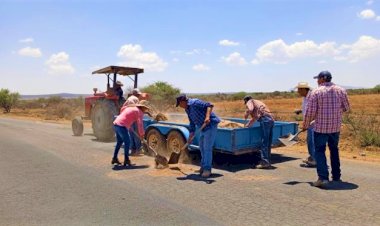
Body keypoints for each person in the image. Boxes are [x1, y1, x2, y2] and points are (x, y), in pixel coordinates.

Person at [303, 71, 350, 187]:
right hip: (335, 127)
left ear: (322, 79)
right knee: (334, 150)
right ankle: (336, 176)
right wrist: (334, 114)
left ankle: (323, 178)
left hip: (321, 128)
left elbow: (310, 112)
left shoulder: (316, 92)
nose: (317, 81)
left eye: (318, 79)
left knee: (319, 151)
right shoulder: (341, 90)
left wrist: (306, 123)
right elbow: (346, 108)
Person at [176, 94, 220, 178]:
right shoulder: (187, 109)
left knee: (207, 148)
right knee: (202, 147)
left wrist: (207, 117)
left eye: (180, 104)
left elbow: (209, 105)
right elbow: (192, 122)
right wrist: (191, 135)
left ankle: (207, 169)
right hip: (202, 127)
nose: (180, 106)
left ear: (183, 101)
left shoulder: (194, 102)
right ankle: (203, 167)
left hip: (210, 125)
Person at [243, 95, 274, 169]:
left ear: (246, 100)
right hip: (270, 119)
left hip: (265, 119)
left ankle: (265, 162)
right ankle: (267, 161)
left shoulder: (250, 101)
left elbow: (250, 109)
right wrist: (247, 125)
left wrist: (246, 113)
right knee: (268, 141)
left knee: (264, 141)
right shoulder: (258, 102)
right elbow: (254, 118)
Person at [294, 82, 316, 167]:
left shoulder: (312, 97)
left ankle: (314, 160)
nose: (298, 91)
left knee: (312, 142)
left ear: (304, 89)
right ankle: (312, 157)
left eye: (299, 90)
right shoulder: (305, 97)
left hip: (313, 123)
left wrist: (305, 124)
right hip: (309, 123)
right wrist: (300, 110)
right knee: (310, 141)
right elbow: (306, 109)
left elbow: (312, 112)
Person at [123, 88, 143, 156]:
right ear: (136, 94)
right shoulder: (136, 99)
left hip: (128, 117)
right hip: (134, 117)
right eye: (138, 94)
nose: (139, 96)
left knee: (131, 134)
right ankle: (138, 150)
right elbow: (138, 108)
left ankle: (132, 150)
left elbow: (123, 107)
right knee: (137, 134)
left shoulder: (129, 98)